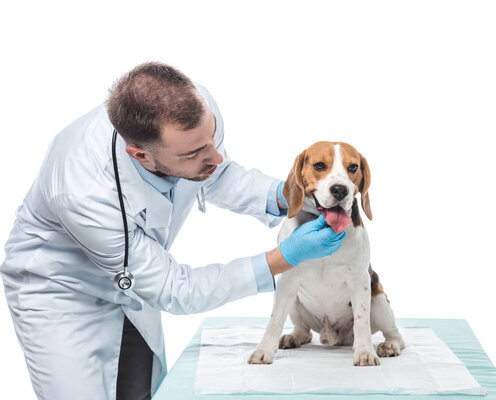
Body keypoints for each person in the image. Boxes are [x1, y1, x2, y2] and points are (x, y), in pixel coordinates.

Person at [0, 62, 347, 400]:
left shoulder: (196, 111)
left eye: (212, 138)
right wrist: (283, 257)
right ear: (140, 156)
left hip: (137, 273)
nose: (214, 155)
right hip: (61, 291)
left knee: (141, 391)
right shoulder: (82, 189)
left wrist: (286, 196)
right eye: (196, 151)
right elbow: (174, 288)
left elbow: (216, 173)